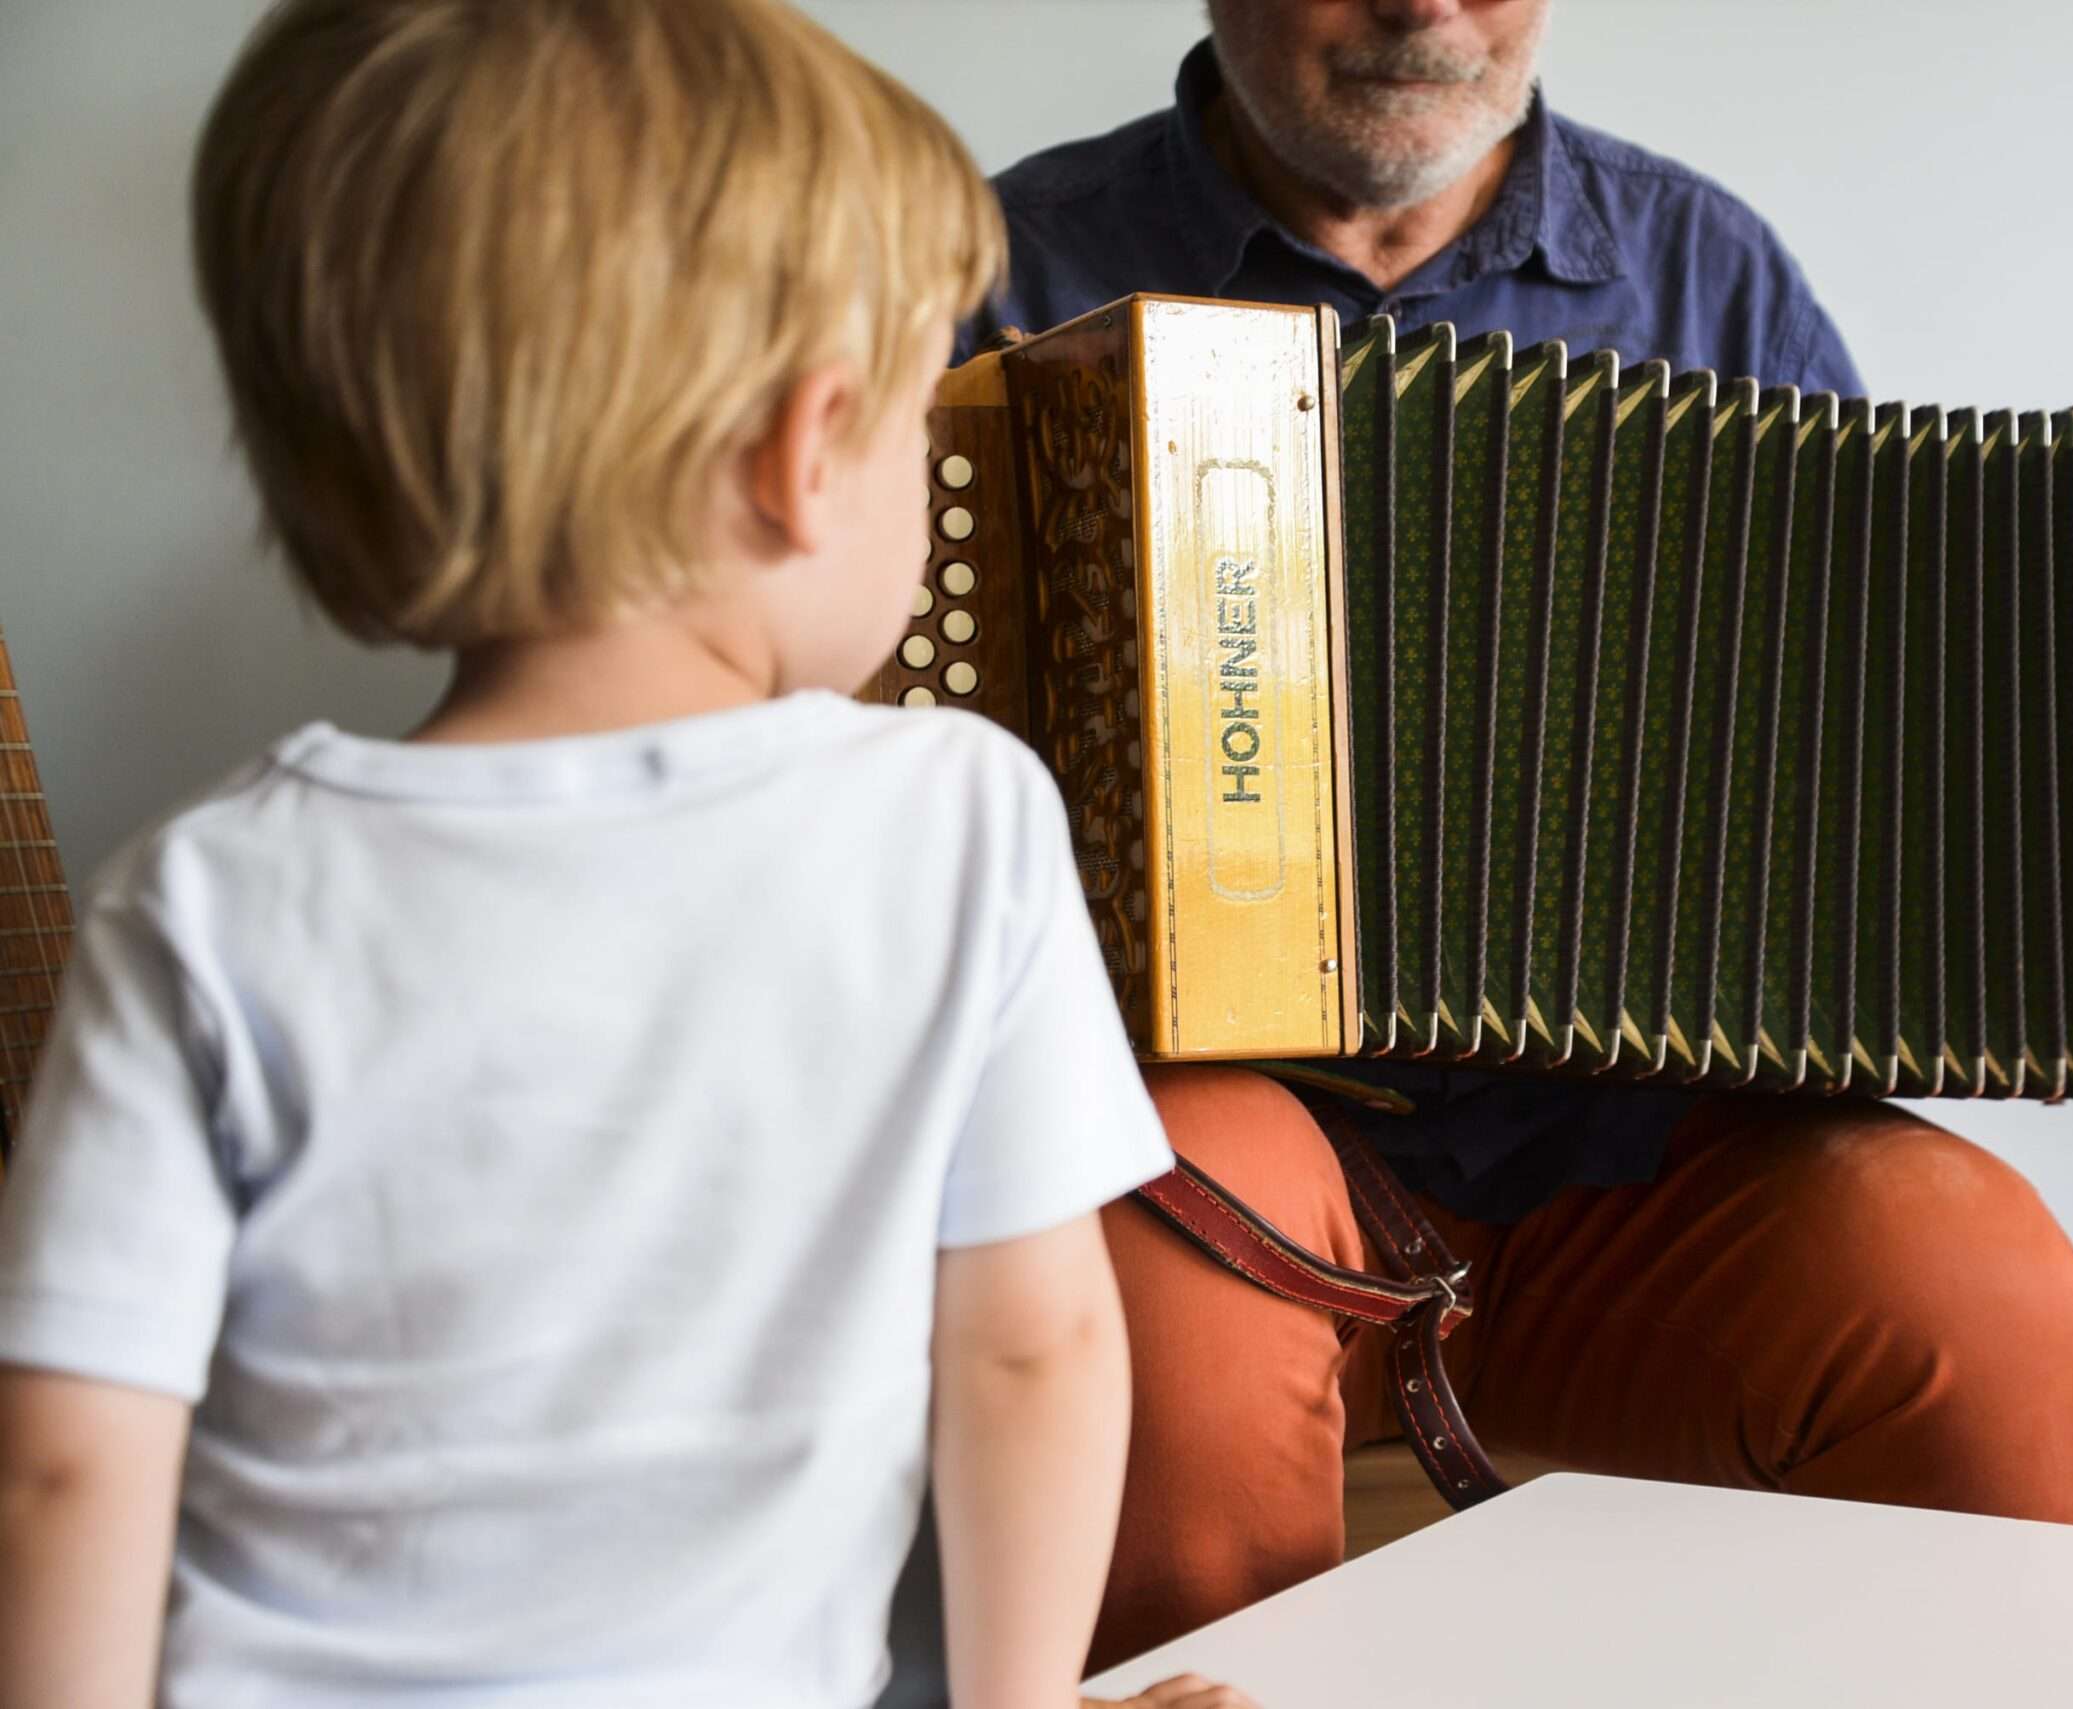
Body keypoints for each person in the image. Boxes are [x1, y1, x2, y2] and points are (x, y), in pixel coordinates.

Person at [971, 0, 2073, 1669]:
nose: (1430, 5)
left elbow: (1877, 786)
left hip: (1630, 1163)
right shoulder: (991, 275)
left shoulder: (1711, 274)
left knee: (1978, 1298)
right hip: (1214, 1142)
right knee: (1163, 1224)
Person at [0, 3, 1248, 1705]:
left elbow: (61, 1459)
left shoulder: (203, 898)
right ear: (812, 455)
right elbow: (1032, 1349)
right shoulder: (955, 823)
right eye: (919, 423)